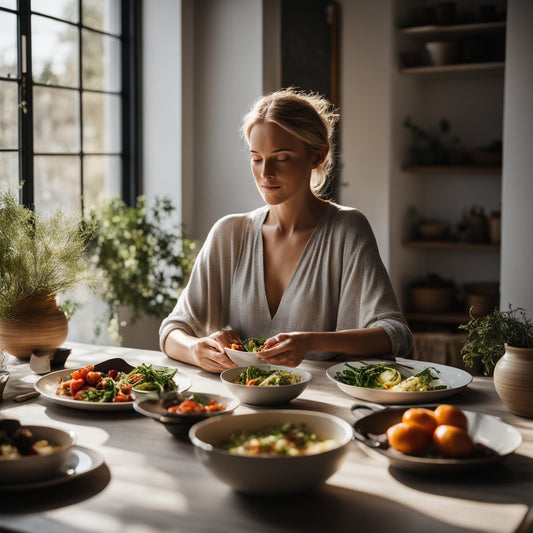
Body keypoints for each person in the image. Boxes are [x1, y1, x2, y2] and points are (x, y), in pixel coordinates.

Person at [160, 87, 413, 373]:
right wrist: (196, 349)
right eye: (256, 158)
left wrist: (310, 342)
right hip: (241, 402)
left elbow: (395, 334)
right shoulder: (229, 234)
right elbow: (173, 331)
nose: (265, 172)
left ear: (317, 156)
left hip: (321, 406)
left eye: (281, 158)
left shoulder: (347, 230)